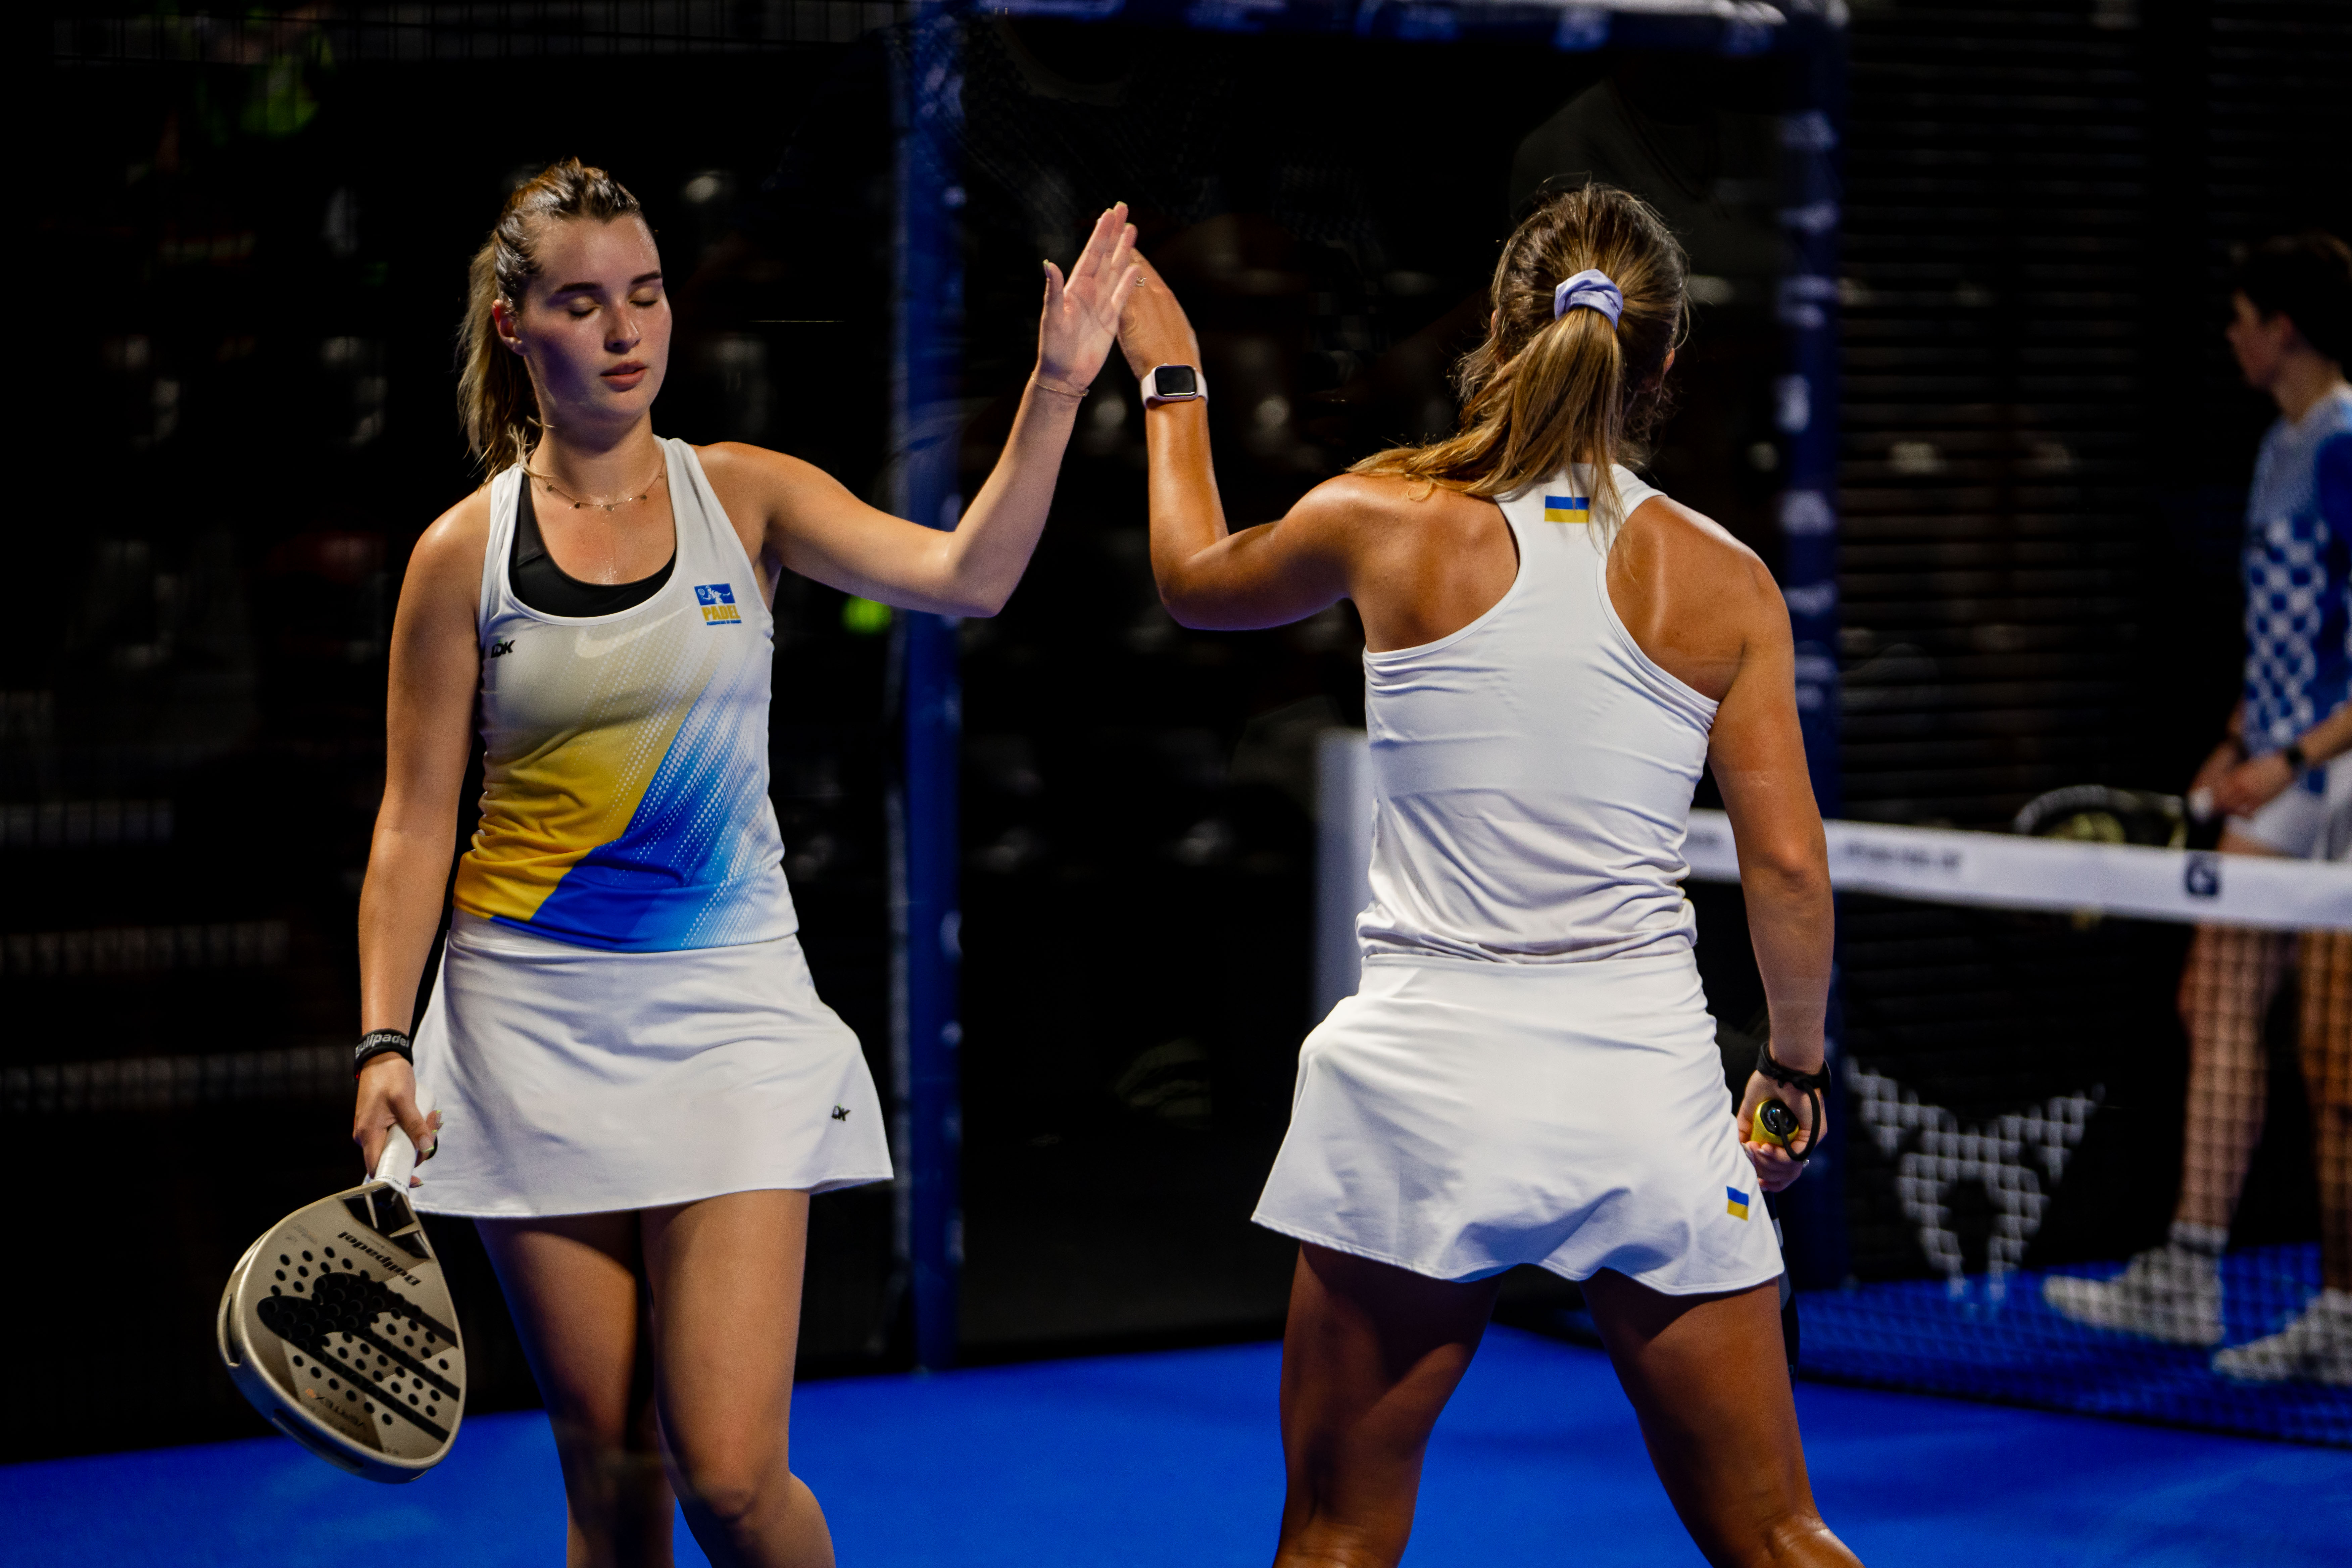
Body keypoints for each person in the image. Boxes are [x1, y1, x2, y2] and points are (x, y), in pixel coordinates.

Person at [350, 159, 1139, 1566]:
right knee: (613, 1477)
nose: (625, 330)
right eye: (583, 304)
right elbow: (415, 823)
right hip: (526, 1030)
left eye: (647, 294)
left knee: (727, 1476)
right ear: (515, 327)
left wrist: (1060, 385)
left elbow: (968, 577)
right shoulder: (460, 556)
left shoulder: (747, 496)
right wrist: (382, 1040)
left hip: (728, 1019)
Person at [1119, 183, 1860, 1568]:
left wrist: (1173, 377)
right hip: (1642, 1086)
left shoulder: (1384, 514)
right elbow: (1789, 872)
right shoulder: (1730, 582)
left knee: (1335, 1535)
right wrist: (1793, 1072)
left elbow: (1193, 577)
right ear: (1665, 365)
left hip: (1425, 1087)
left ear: (1499, 334)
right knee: (1778, 1533)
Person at [2044, 232, 2352, 1386]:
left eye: (2241, 317)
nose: (2230, 335)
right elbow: (2293, 630)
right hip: (2285, 767)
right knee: (2213, 999)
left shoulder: (2345, 444)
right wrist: (2238, 740)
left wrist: (2291, 757)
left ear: (2284, 328)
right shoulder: (2281, 445)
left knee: (2331, 1055)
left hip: (2335, 773)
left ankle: (2328, 1306)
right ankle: (2189, 1274)